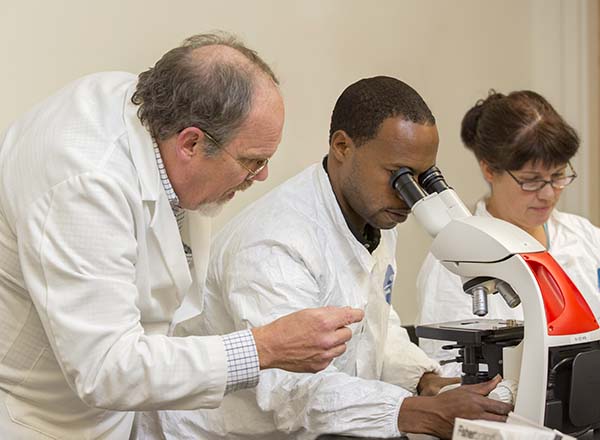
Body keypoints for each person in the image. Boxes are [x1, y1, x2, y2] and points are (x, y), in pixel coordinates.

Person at [0, 32, 365, 439]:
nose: (261, 176)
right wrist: (264, 347)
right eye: (252, 161)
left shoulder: (154, 121)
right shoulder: (85, 182)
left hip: (117, 411)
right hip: (41, 419)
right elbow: (106, 368)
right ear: (191, 142)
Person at [140, 76, 513, 440]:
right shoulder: (275, 243)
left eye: (421, 177)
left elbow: (375, 328)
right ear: (342, 146)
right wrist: (414, 413)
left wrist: (424, 380)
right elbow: (289, 389)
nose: (408, 196)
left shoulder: (374, 217)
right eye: (397, 175)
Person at [416, 90, 600, 370]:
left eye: (558, 176)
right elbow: (445, 372)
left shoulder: (585, 237)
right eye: (531, 181)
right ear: (489, 170)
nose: (549, 195)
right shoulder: (455, 261)